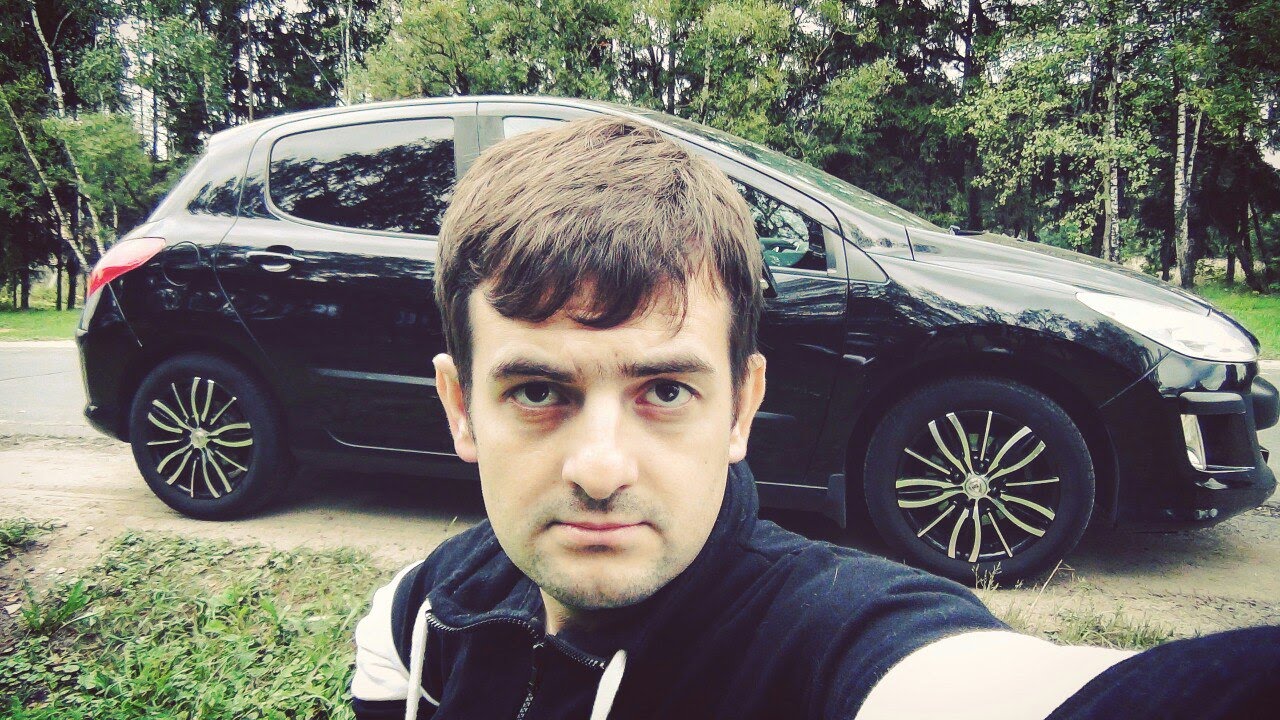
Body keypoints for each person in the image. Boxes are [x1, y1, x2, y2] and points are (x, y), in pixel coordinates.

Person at [350, 117, 1278, 720]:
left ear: (742, 407)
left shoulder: (829, 643)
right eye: (537, 392)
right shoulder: (422, 612)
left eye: (664, 391)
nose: (599, 467)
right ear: (461, 407)